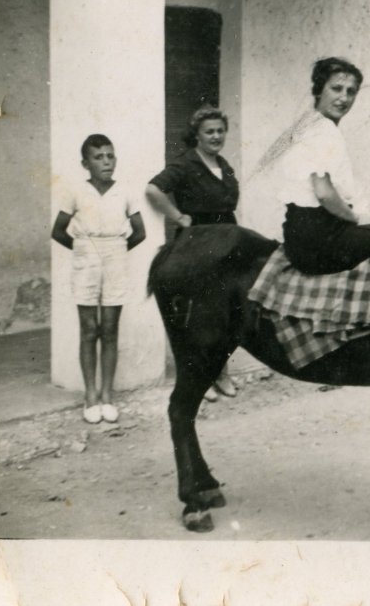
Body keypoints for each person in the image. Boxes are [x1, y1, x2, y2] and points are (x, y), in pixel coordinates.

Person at [274, 57, 370, 275]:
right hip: (321, 244)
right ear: (319, 90)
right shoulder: (324, 131)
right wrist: (356, 219)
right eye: (336, 88)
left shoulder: (307, 125)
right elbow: (324, 193)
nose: (344, 98)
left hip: (298, 241)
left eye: (351, 91)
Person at [146, 105, 240, 399]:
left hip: (227, 243)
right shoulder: (185, 163)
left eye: (220, 131)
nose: (216, 136)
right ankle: (200, 378)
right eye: (209, 131)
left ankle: (221, 373)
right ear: (197, 135)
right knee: (200, 313)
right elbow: (153, 189)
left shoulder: (223, 164)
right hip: (198, 245)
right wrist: (178, 216)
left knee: (227, 312)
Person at [52, 134, 146, 424]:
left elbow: (140, 232)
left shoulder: (125, 191)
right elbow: (58, 231)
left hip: (115, 258)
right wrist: (85, 250)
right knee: (89, 328)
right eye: (98, 157)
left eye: (110, 156)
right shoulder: (75, 191)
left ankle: (107, 395)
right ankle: (90, 396)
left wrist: (116, 251)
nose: (106, 162)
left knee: (110, 328)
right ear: (86, 163)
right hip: (86, 260)